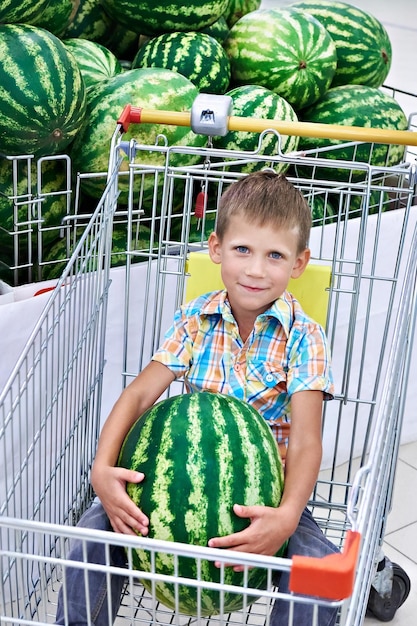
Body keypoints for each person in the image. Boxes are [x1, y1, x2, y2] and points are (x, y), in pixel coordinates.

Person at [56, 170, 340, 625]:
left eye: (275, 256)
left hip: (266, 496)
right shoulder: (195, 319)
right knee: (89, 543)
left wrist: (286, 516)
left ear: (298, 263)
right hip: (181, 475)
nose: (255, 269)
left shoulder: (305, 338)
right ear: (215, 249)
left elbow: (307, 441)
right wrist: (102, 470)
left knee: (320, 575)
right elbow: (138, 396)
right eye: (242, 250)